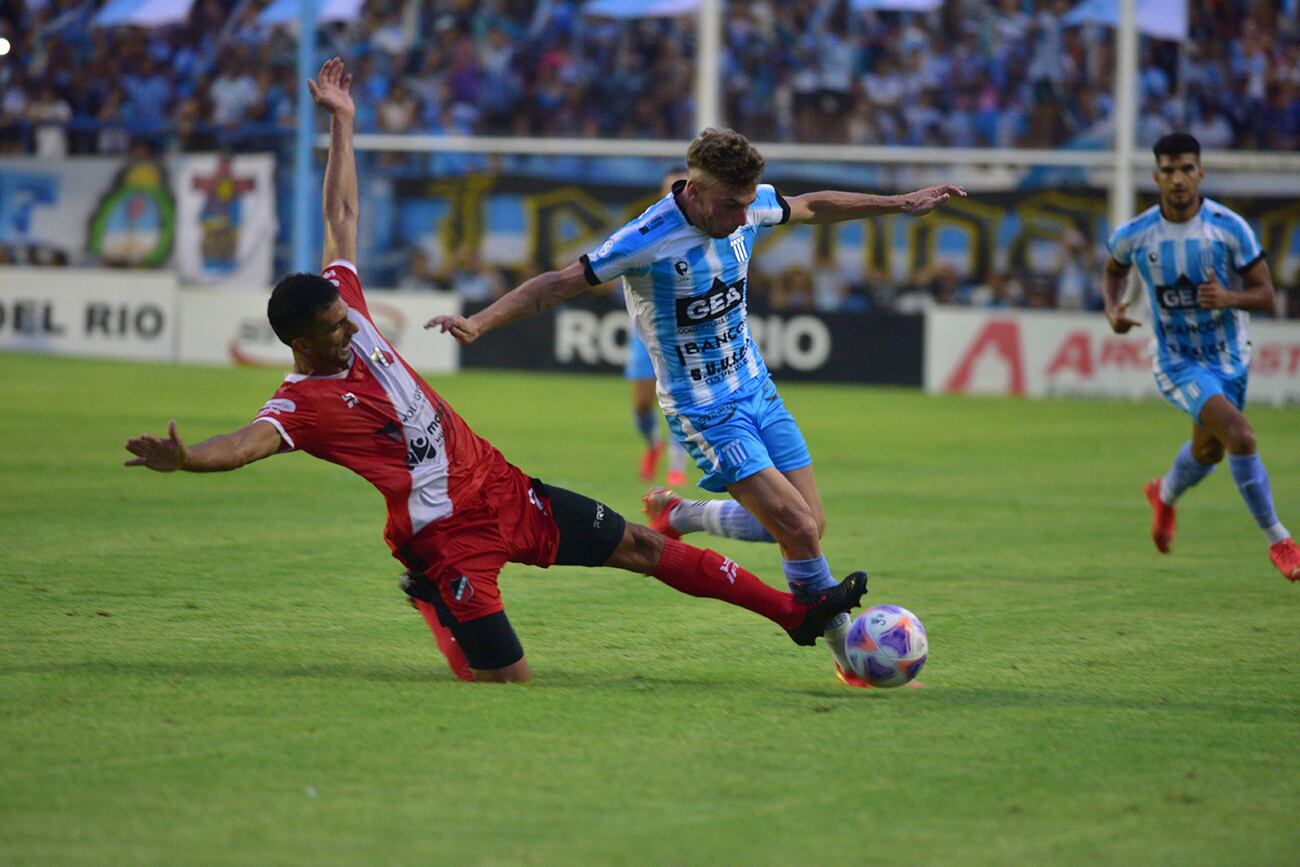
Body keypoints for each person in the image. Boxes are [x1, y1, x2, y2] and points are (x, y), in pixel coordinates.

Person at [123, 59, 868, 685]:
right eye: (336, 330)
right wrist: (188, 458)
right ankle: (431, 599)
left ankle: (794, 614)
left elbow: (341, 212)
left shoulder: (343, 299)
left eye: (348, 317)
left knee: (642, 547)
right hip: (444, 536)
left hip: (504, 486)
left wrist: (342, 121)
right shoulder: (298, 406)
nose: (353, 327)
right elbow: (245, 443)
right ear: (301, 344)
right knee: (506, 682)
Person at [427, 127, 965, 685]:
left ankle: (683, 515)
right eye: (730, 204)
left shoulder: (749, 204)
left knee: (810, 523)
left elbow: (812, 205)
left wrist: (901, 203)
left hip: (758, 388)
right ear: (696, 190)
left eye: (746, 202)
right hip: (705, 409)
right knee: (797, 527)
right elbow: (557, 284)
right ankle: (851, 658)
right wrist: (479, 321)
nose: (741, 215)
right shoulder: (645, 238)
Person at [1103, 132, 1298, 583]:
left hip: (1230, 357)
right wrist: (1114, 309)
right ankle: (1279, 539)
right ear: (1156, 177)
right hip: (1177, 360)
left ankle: (1164, 493)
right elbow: (1112, 269)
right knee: (1241, 436)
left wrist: (1227, 296)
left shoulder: (1229, 228)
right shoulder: (1135, 234)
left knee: (1208, 450)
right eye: (1169, 171)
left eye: (1186, 169)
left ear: (1200, 173)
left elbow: (1267, 294)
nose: (1178, 179)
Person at [628, 168, 690, 487]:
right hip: (645, 328)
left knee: (678, 400)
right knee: (641, 404)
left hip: (683, 331)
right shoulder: (645, 229)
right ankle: (654, 445)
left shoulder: (698, 230)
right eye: (670, 188)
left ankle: (677, 467)